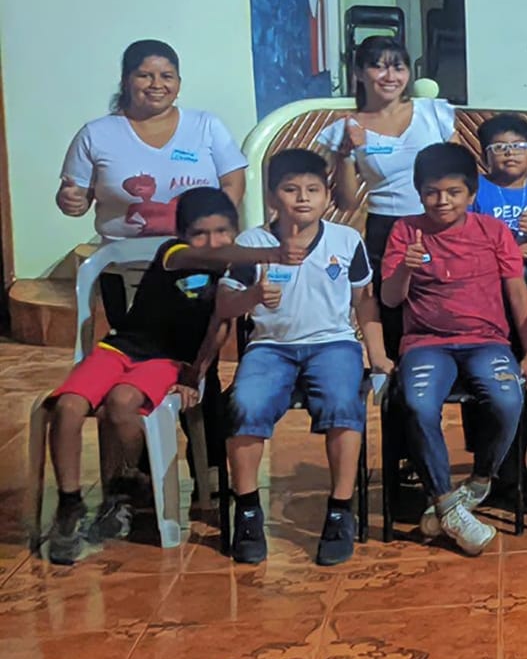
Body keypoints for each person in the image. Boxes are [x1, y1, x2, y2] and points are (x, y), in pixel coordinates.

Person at [37, 189, 272, 565]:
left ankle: (128, 487)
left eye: (222, 231)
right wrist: (274, 252)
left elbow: (221, 328)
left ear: (235, 230)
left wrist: (195, 376)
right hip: (120, 347)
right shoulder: (172, 254)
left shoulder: (233, 276)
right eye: (200, 233)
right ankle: (70, 504)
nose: (212, 241)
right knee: (67, 407)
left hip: (167, 360)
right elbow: (200, 256)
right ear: (182, 235)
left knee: (121, 404)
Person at [218, 150, 390, 567]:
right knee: (245, 405)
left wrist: (378, 354)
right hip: (269, 347)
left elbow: (364, 302)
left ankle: (340, 511)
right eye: (290, 189)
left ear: (327, 196)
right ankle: (248, 512)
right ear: (272, 197)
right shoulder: (252, 244)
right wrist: (253, 296)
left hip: (333, 344)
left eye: (312, 190)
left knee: (343, 404)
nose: (302, 198)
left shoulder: (345, 240)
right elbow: (224, 304)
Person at [383, 144, 527, 556]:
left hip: (487, 341)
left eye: (453, 192)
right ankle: (446, 502)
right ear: (419, 192)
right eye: (432, 192)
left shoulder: (493, 232)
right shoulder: (405, 231)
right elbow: (391, 298)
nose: (442, 201)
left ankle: (480, 481)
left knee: (508, 399)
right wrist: (406, 268)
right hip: (426, 343)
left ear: (471, 193)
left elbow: (518, 293)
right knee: (417, 404)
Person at [317, 36, 457, 363]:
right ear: (359, 73)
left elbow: (459, 172)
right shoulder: (345, 127)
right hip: (388, 229)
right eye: (378, 67)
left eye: (398, 67)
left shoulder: (434, 113)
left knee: (447, 304)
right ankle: (395, 381)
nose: (390, 76)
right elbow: (346, 202)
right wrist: (345, 155)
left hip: (442, 223)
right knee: (393, 312)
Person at [57, 39, 249, 244]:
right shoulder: (95, 135)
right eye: (144, 76)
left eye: (167, 76)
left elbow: (233, 183)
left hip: (197, 252)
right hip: (123, 255)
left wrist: (213, 230)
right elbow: (77, 198)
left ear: (178, 82)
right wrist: (72, 202)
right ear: (126, 81)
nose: (157, 85)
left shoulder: (207, 125)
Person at [471, 112, 527, 269]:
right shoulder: (473, 188)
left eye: (518, 146)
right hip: (484, 270)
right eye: (499, 147)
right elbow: (463, 241)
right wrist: (510, 254)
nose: (510, 153)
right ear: (484, 158)